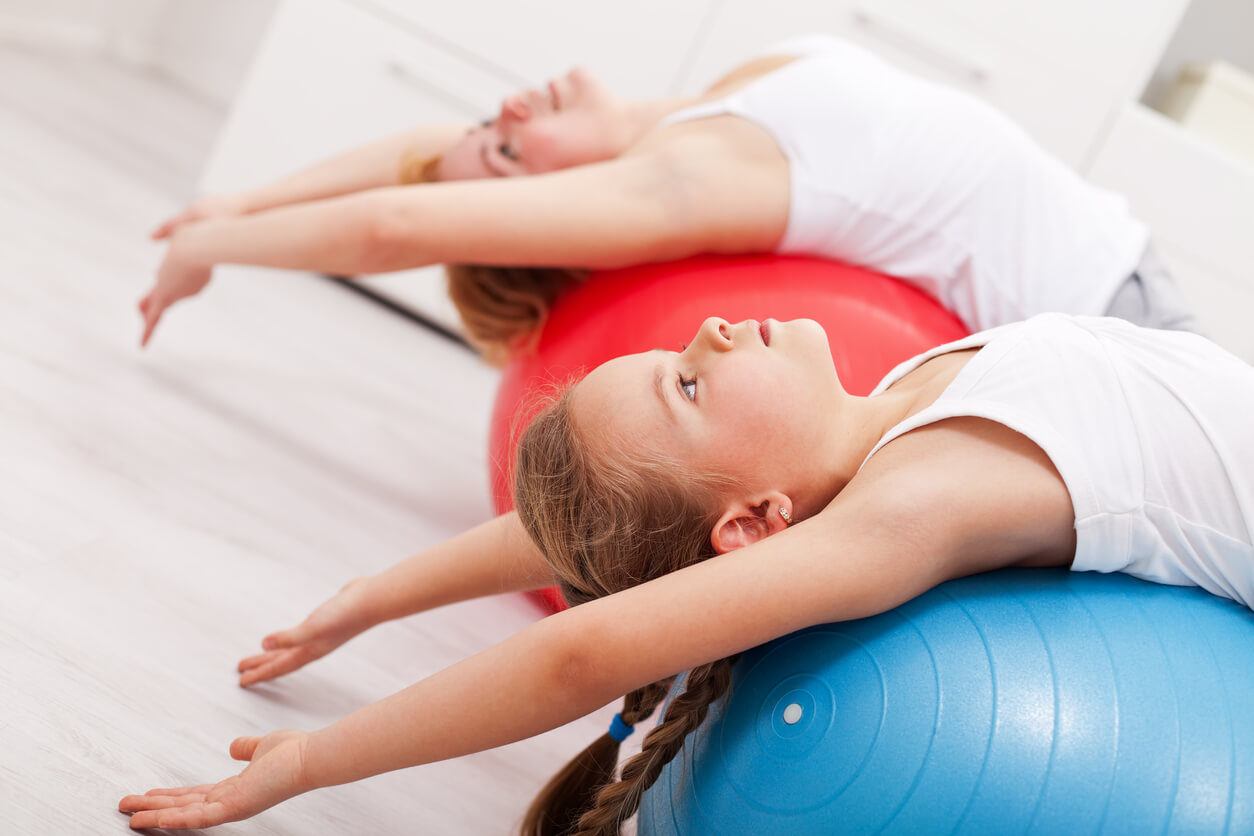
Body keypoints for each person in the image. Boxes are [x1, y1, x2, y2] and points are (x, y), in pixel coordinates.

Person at [119, 312, 1253, 833]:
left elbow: (573, 533)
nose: (706, 328)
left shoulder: (900, 401)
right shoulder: (916, 502)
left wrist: (369, 597)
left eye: (671, 362)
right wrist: (313, 759)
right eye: (688, 389)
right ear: (755, 524)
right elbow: (583, 645)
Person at [139, 35, 1196, 358]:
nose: (503, 106)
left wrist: (234, 200)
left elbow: (422, 154)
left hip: (1126, 282)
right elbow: (398, 220)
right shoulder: (685, 178)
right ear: (563, 206)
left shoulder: (700, 112)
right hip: (1113, 329)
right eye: (511, 152)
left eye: (490, 127)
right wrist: (216, 247)